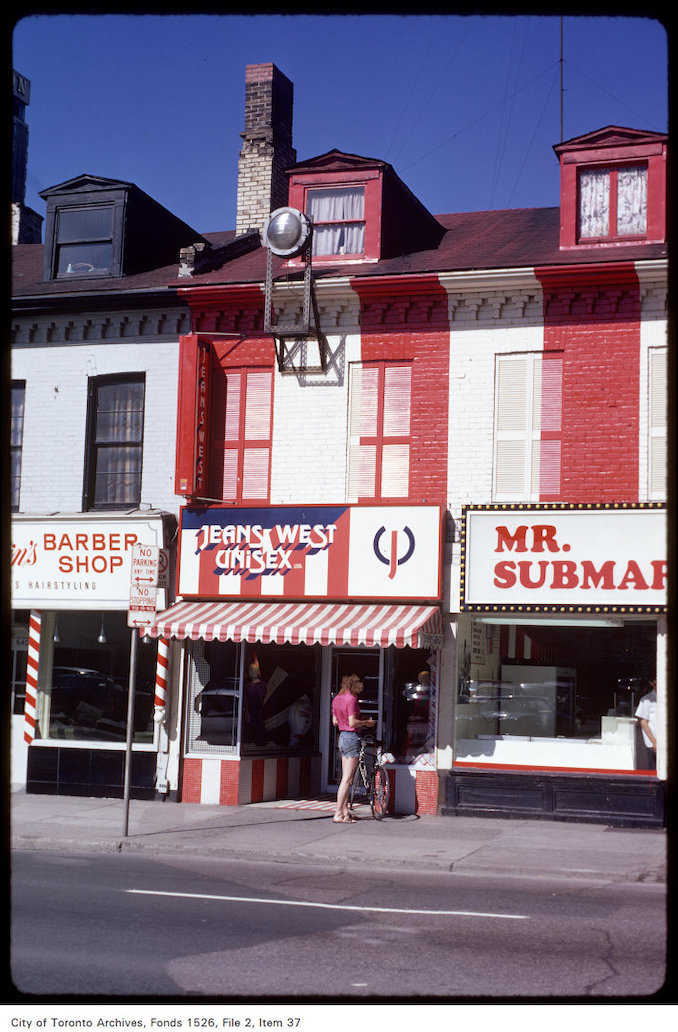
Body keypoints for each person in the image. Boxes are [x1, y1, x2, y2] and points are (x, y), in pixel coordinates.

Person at [331, 674, 375, 824]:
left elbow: (335, 721)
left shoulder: (337, 698)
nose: (361, 688)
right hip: (351, 737)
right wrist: (366, 723)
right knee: (347, 779)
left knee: (345, 778)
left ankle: (345, 812)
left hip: (342, 737)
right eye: (360, 685)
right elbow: (352, 722)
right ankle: (338, 813)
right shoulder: (351, 699)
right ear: (354, 685)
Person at [635, 678, 657, 766]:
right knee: (654, 772)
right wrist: (654, 742)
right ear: (652, 684)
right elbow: (643, 722)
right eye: (655, 683)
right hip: (653, 744)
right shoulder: (646, 700)